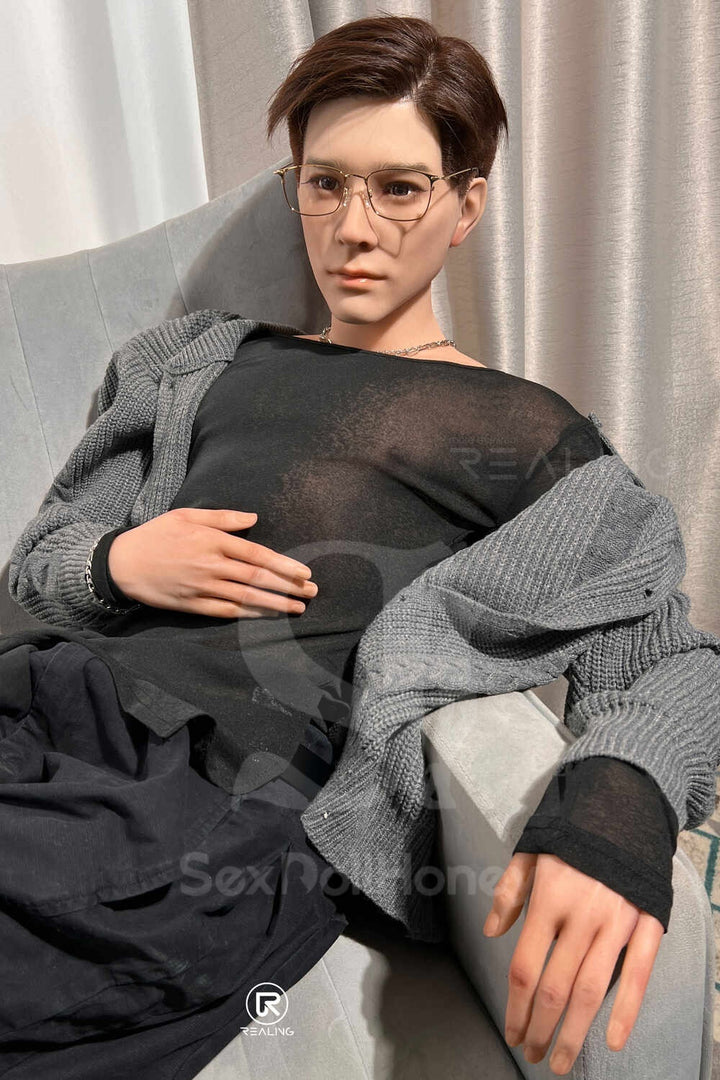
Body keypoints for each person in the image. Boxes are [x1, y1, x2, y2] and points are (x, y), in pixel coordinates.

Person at [2, 14, 678, 1079]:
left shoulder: (525, 431)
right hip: (38, 699)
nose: (354, 229)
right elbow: (40, 560)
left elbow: (659, 651)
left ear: (466, 204)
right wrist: (117, 563)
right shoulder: (190, 359)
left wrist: (616, 811)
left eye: (399, 189)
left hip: (204, 794)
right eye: (326, 184)